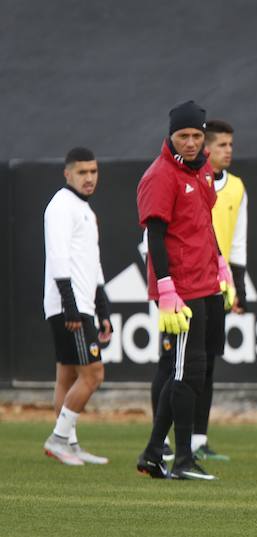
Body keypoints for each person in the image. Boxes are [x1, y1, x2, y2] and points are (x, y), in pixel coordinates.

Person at [135, 101, 235, 481]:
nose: (191, 142)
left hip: (207, 281)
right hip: (181, 288)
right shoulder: (160, 175)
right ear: (171, 136)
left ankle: (152, 455)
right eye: (183, 136)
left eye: (196, 135)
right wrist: (165, 287)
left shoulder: (204, 169)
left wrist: (221, 263)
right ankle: (180, 460)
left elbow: (204, 224)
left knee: (197, 370)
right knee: (184, 372)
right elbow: (155, 236)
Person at [42, 147, 112, 466]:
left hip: (83, 304)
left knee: (67, 376)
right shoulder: (60, 205)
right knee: (93, 375)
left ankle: (69, 443)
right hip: (68, 306)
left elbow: (92, 263)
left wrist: (103, 307)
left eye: (93, 172)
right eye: (82, 172)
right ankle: (57, 439)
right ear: (67, 174)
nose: (89, 178)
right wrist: (70, 305)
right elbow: (58, 257)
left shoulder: (86, 210)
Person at [188, 119, 249, 462]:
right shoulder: (190, 182)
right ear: (207, 148)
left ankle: (198, 440)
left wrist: (238, 289)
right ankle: (166, 440)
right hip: (185, 287)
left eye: (231, 144)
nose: (229, 151)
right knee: (176, 366)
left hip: (218, 288)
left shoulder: (237, 187)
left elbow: (237, 243)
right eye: (223, 145)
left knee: (208, 365)